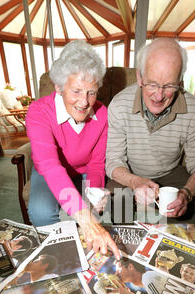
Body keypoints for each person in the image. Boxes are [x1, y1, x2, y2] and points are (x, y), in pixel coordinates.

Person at [26, 40, 119, 259]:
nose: (84, 102)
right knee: (40, 212)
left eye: (91, 92)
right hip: (49, 170)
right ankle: (61, 254)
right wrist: (85, 220)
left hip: (85, 170)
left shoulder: (103, 113)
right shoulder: (38, 112)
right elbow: (49, 166)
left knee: (100, 211)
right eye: (76, 91)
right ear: (59, 87)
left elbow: (97, 164)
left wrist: (94, 200)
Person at [106, 38, 195, 223]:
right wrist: (135, 182)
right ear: (140, 77)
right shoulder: (119, 104)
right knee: (116, 204)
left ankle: (165, 233)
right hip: (130, 171)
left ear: (180, 81)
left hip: (169, 173)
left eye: (169, 86)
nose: (159, 95)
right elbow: (113, 161)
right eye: (152, 84)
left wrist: (185, 194)